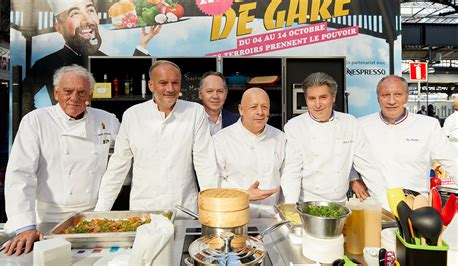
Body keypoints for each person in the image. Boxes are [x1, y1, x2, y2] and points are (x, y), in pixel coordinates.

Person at [4, 65, 120, 255]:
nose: (75, 97)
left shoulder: (106, 119)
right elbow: (20, 174)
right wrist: (25, 226)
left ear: (90, 95)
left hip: (91, 216)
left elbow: (128, 150)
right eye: (68, 91)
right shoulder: (35, 121)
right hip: (47, 219)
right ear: (56, 93)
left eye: (82, 92)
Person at [95, 60, 218, 213]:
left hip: (183, 207)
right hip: (144, 209)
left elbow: (205, 163)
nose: (170, 89)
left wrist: (214, 209)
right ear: (151, 85)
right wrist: (99, 213)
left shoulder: (195, 112)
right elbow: (118, 166)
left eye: (175, 83)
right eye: (163, 83)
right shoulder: (133, 115)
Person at [22, 0, 161, 115]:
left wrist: (143, 44)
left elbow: (131, 82)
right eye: (75, 13)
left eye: (90, 10)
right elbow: (23, 97)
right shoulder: (46, 63)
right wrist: (43, 124)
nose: (87, 20)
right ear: (59, 27)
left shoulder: (103, 60)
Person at [281, 72, 385, 204]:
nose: (318, 104)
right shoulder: (294, 126)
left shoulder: (350, 123)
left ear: (333, 97)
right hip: (306, 204)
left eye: (323, 97)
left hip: (340, 204)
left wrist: (385, 205)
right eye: (312, 98)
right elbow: (292, 171)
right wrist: (290, 208)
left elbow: (367, 166)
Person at [358, 76, 457, 199]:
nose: (391, 101)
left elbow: (452, 162)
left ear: (407, 96)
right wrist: (354, 179)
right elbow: (346, 158)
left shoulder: (428, 125)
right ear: (377, 97)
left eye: (398, 94)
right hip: (374, 205)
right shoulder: (361, 125)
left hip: (415, 205)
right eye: (385, 95)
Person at [213, 88, 285, 218]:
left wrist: (284, 210)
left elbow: (287, 176)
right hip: (235, 216)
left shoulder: (280, 138)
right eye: (253, 107)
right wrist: (244, 194)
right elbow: (215, 181)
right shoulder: (221, 140)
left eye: (264, 107)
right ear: (241, 109)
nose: (260, 112)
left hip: (273, 217)